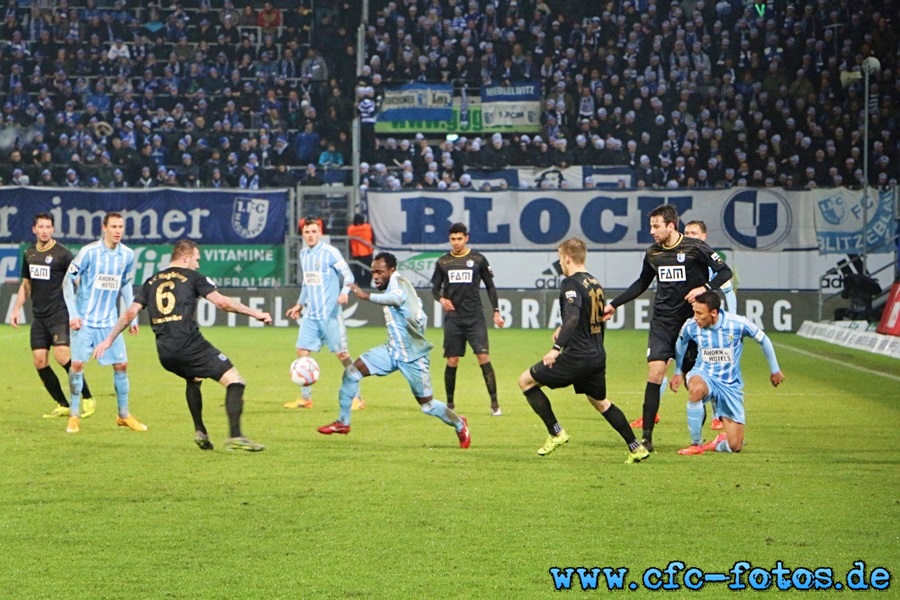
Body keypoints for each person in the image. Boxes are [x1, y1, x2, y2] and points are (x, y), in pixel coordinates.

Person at [93, 240, 270, 451]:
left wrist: (108, 339)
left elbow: (130, 313)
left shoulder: (151, 281)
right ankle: (235, 435)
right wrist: (256, 313)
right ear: (185, 258)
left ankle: (200, 431)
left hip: (165, 353)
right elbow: (222, 303)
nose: (197, 264)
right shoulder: (193, 277)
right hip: (189, 345)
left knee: (193, 378)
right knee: (236, 381)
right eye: (196, 259)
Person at [603, 204, 732, 451]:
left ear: (671, 226)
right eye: (651, 226)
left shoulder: (695, 248)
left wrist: (704, 289)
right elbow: (641, 283)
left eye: (656, 226)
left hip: (691, 325)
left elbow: (724, 271)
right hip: (662, 323)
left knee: (693, 384)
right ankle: (647, 439)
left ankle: (700, 438)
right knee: (655, 374)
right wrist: (614, 305)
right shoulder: (653, 254)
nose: (651, 231)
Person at [517, 238, 650, 463]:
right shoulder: (594, 282)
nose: (560, 263)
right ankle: (636, 447)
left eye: (560, 258)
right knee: (600, 402)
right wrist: (563, 329)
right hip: (597, 355)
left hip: (577, 356)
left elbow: (573, 316)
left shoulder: (571, 283)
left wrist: (556, 348)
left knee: (525, 381)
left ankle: (556, 432)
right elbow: (584, 317)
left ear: (567, 258)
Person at [318, 252, 470, 449]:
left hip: (413, 357)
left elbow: (396, 300)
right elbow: (417, 314)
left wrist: (366, 296)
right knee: (351, 373)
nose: (375, 276)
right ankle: (343, 423)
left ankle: (459, 423)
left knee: (428, 405)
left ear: (392, 270)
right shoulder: (392, 285)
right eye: (373, 272)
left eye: (380, 272)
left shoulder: (399, 283)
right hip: (391, 351)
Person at [669, 291, 785, 454]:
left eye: (699, 313)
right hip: (704, 374)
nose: (695, 317)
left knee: (735, 446)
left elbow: (763, 339)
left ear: (713, 313)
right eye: (694, 312)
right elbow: (680, 343)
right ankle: (696, 444)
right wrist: (677, 371)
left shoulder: (737, 323)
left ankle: (717, 444)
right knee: (695, 389)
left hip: (730, 385)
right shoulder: (691, 326)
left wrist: (775, 369)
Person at [62, 212, 146, 434]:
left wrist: (132, 315)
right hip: (85, 320)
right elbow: (67, 281)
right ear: (104, 228)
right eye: (114, 226)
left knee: (122, 365)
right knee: (77, 366)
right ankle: (74, 415)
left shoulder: (127, 255)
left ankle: (124, 415)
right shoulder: (89, 252)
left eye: (121, 227)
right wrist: (73, 314)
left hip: (109, 322)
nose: (118, 231)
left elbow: (126, 284)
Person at [9, 213, 94, 418]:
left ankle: (88, 397)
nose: (45, 230)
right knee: (39, 361)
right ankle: (63, 404)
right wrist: (15, 309)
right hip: (39, 317)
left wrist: (81, 309)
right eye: (41, 227)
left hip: (59, 313)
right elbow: (26, 285)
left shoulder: (63, 254)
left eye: (48, 227)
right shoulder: (29, 253)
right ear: (34, 229)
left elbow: (77, 281)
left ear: (53, 230)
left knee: (62, 356)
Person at [284, 218, 364, 410]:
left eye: (314, 231)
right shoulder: (304, 254)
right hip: (311, 315)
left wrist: (344, 292)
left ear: (320, 233)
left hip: (330, 315)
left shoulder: (330, 252)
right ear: (302, 234)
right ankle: (306, 398)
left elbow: (349, 275)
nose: (310, 235)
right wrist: (299, 304)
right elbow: (307, 282)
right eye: (307, 232)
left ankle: (358, 398)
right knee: (302, 352)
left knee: (342, 355)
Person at [430, 223, 505, 416]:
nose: (456, 243)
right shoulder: (443, 262)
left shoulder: (478, 259)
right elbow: (434, 289)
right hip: (453, 319)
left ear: (466, 238)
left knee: (483, 357)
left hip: (474, 318)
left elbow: (490, 286)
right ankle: (450, 405)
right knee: (452, 360)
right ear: (450, 239)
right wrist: (441, 299)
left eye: (459, 239)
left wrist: (496, 311)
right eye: (453, 239)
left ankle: (495, 404)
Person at [683, 219, 738, 432]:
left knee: (714, 368)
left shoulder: (710, 261)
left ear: (704, 236)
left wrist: (731, 320)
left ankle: (718, 415)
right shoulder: (682, 260)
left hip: (710, 327)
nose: (689, 235)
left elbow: (728, 292)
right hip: (689, 324)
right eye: (686, 232)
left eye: (694, 232)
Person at [347, 213, 375, 288]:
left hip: (356, 252)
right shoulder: (367, 227)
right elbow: (373, 238)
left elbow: (349, 241)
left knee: (357, 270)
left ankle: (359, 283)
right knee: (368, 269)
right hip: (367, 251)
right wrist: (372, 247)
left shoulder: (350, 229)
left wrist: (351, 250)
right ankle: (367, 284)